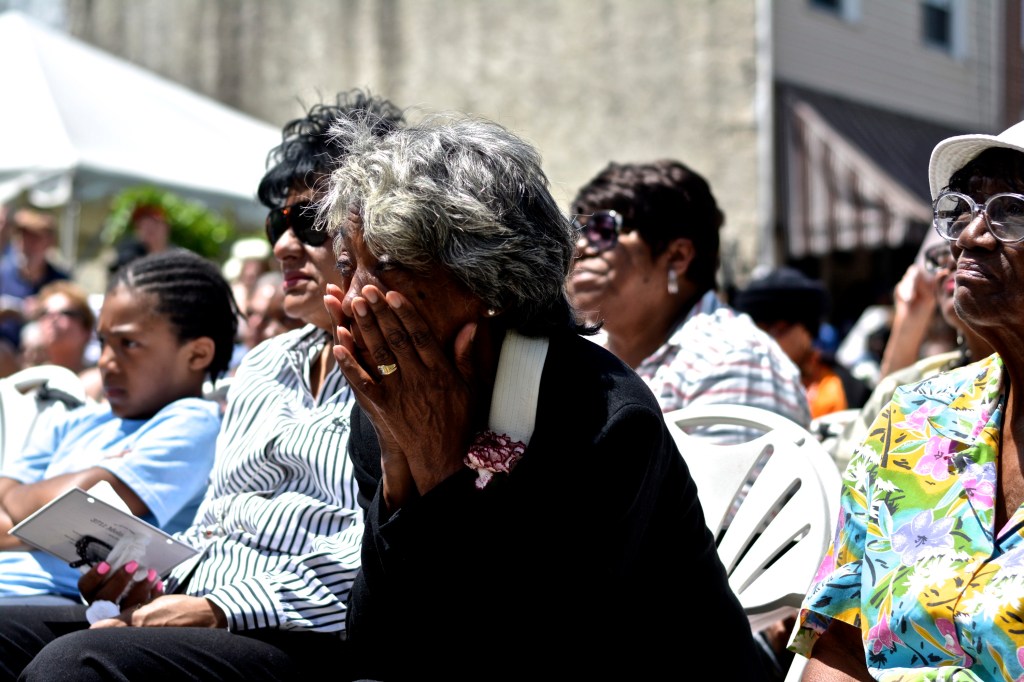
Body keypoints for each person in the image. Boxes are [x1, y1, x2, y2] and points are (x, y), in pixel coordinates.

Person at [319, 113, 765, 680]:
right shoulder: (383, 406)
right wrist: (399, 465)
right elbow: (376, 648)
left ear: (490, 284)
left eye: (388, 265)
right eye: (346, 265)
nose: (357, 295)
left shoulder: (604, 418)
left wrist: (436, 466)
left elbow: (536, 651)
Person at [0, 89, 406, 682]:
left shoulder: (404, 373)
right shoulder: (266, 365)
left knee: (76, 664)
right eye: (278, 222)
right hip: (202, 603)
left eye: (311, 222)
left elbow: (382, 552)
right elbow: (216, 524)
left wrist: (219, 609)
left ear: (377, 229)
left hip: (305, 634)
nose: (284, 244)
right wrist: (144, 586)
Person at [789, 119, 1024, 679]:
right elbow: (841, 641)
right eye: (962, 209)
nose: (970, 236)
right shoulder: (916, 418)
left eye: (1012, 212)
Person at [0, 249, 236, 604]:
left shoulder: (192, 422)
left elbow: (73, 508)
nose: (107, 361)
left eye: (129, 343)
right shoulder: (77, 421)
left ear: (197, 354)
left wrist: (15, 498)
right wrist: (48, 520)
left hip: (69, 602)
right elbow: (67, 515)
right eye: (103, 343)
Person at [568, 160, 810, 438]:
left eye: (604, 228)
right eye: (576, 229)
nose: (579, 246)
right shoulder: (582, 352)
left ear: (677, 256)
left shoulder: (732, 359)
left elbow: (727, 483)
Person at [734, 266, 870, 420]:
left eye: (779, 330)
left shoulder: (843, 387)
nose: (768, 340)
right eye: (761, 332)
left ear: (807, 330)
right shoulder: (742, 386)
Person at [0, 208, 70, 370]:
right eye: (22, 236)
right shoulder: (3, 275)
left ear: (50, 242)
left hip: (44, 362)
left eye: (35, 237)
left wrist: (41, 313)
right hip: (5, 359)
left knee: (36, 338)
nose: (26, 243)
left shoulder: (60, 281)